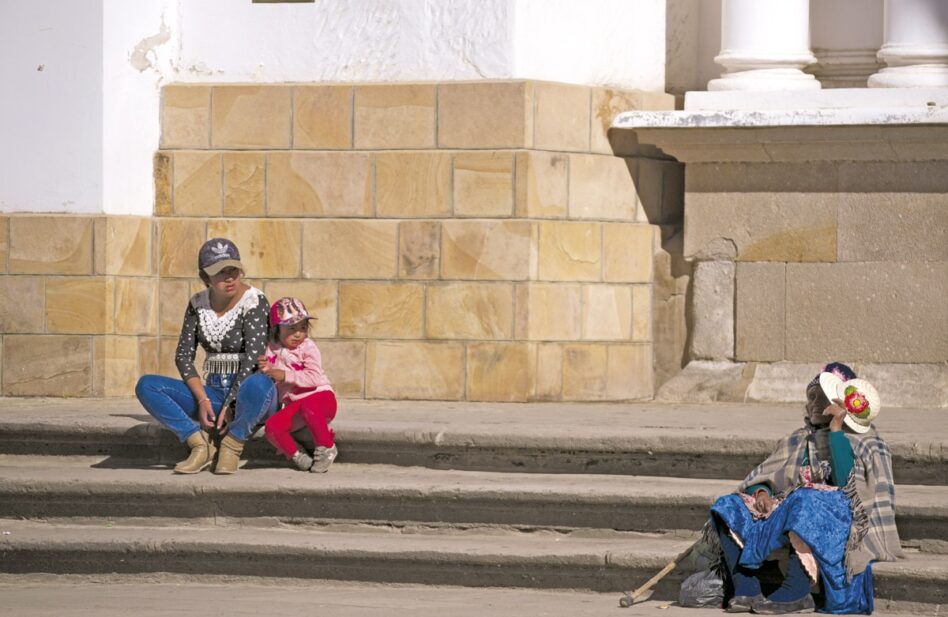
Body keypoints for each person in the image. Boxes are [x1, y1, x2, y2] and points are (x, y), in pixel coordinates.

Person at [708, 363, 902, 615]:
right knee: (727, 506)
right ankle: (747, 589)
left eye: (819, 398)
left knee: (807, 500)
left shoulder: (867, 444)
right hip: (791, 511)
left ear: (839, 404)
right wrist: (762, 494)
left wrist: (835, 433)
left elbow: (849, 487)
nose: (812, 405)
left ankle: (796, 591)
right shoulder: (798, 439)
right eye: (809, 398)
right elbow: (764, 476)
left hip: (838, 521)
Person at [135, 238, 277, 474]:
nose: (229, 277)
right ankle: (199, 444)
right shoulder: (197, 304)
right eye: (219, 273)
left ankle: (232, 444)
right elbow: (183, 356)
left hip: (249, 395)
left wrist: (231, 404)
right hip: (212, 391)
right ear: (205, 278)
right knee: (147, 385)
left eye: (233, 270)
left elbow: (253, 357)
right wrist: (203, 401)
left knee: (260, 383)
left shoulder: (254, 300)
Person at [259, 297, 338, 473]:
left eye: (302, 328)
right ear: (277, 330)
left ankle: (326, 447)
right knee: (272, 427)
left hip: (322, 399)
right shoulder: (270, 349)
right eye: (291, 328)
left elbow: (314, 377)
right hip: (296, 406)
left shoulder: (308, 347)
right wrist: (265, 369)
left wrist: (284, 375)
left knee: (309, 405)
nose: (298, 334)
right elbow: (269, 373)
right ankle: (296, 454)